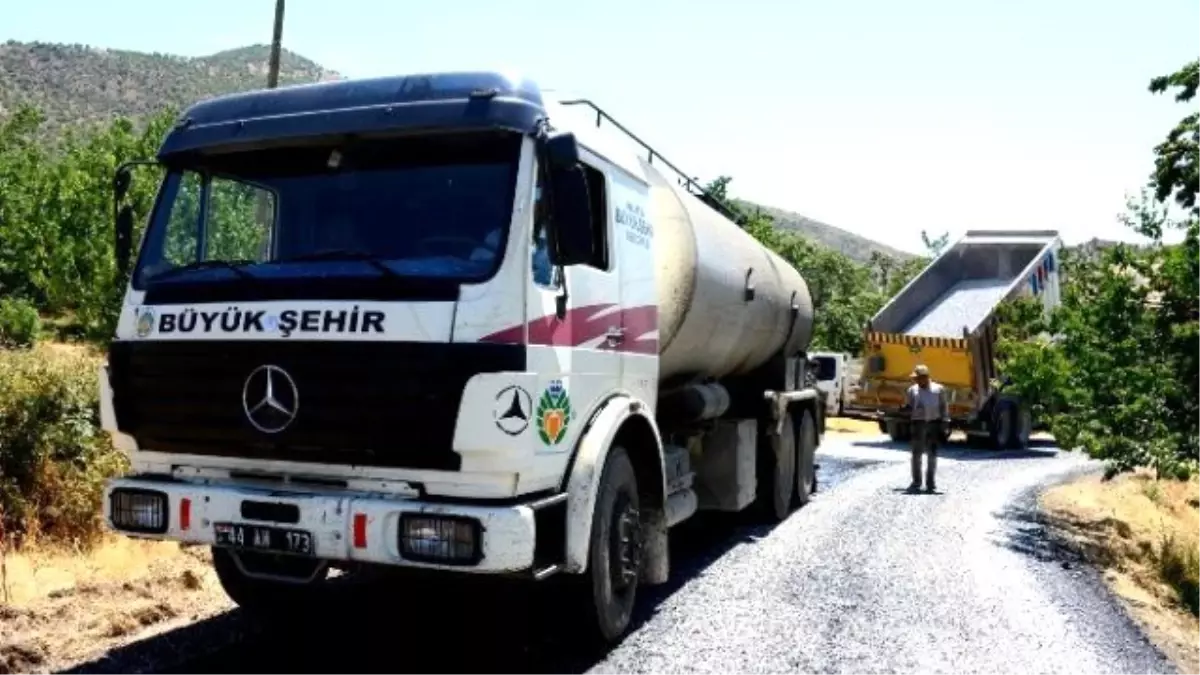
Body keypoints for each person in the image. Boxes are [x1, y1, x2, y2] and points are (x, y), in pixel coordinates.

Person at [905, 364, 949, 493]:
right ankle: (916, 482)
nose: (916, 381)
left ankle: (930, 483)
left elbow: (944, 406)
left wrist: (945, 422)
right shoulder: (912, 390)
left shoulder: (939, 389)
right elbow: (909, 407)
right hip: (918, 424)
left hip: (933, 424)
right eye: (915, 379)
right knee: (916, 455)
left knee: (932, 455)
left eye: (918, 378)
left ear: (926, 377)